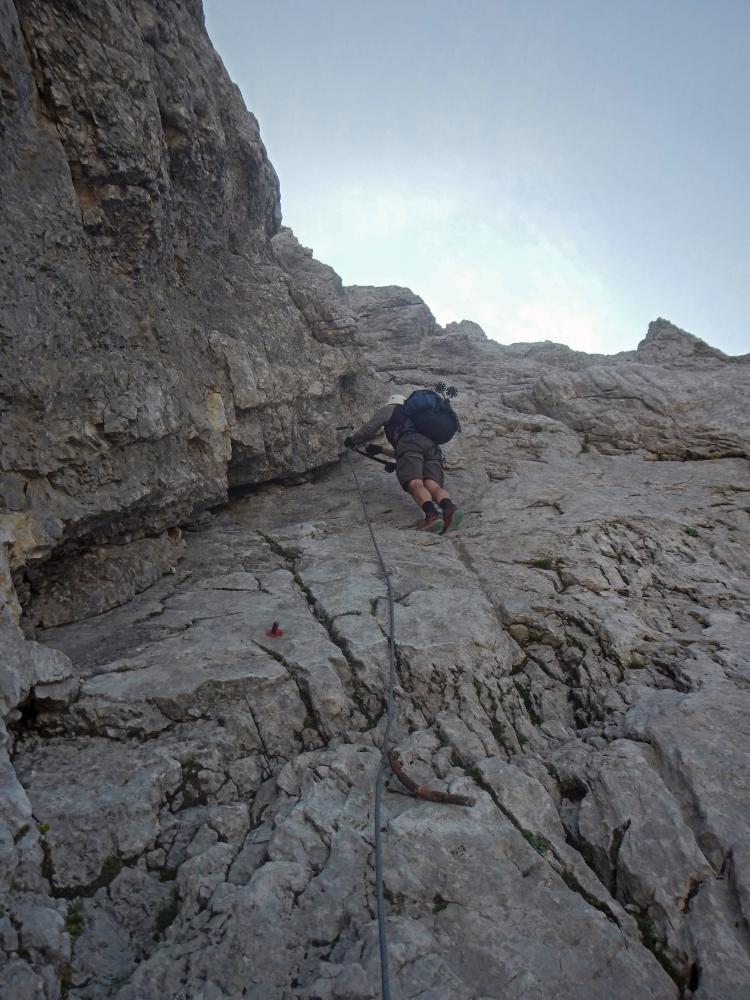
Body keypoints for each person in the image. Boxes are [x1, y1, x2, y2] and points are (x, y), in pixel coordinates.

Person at [344, 393, 463, 533]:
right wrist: (381, 450)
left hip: (410, 446)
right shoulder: (419, 420)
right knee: (432, 484)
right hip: (433, 450)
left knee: (415, 484)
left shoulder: (392, 409)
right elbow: (408, 452)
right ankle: (449, 509)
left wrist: (352, 440)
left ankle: (432, 515)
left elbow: (370, 429)